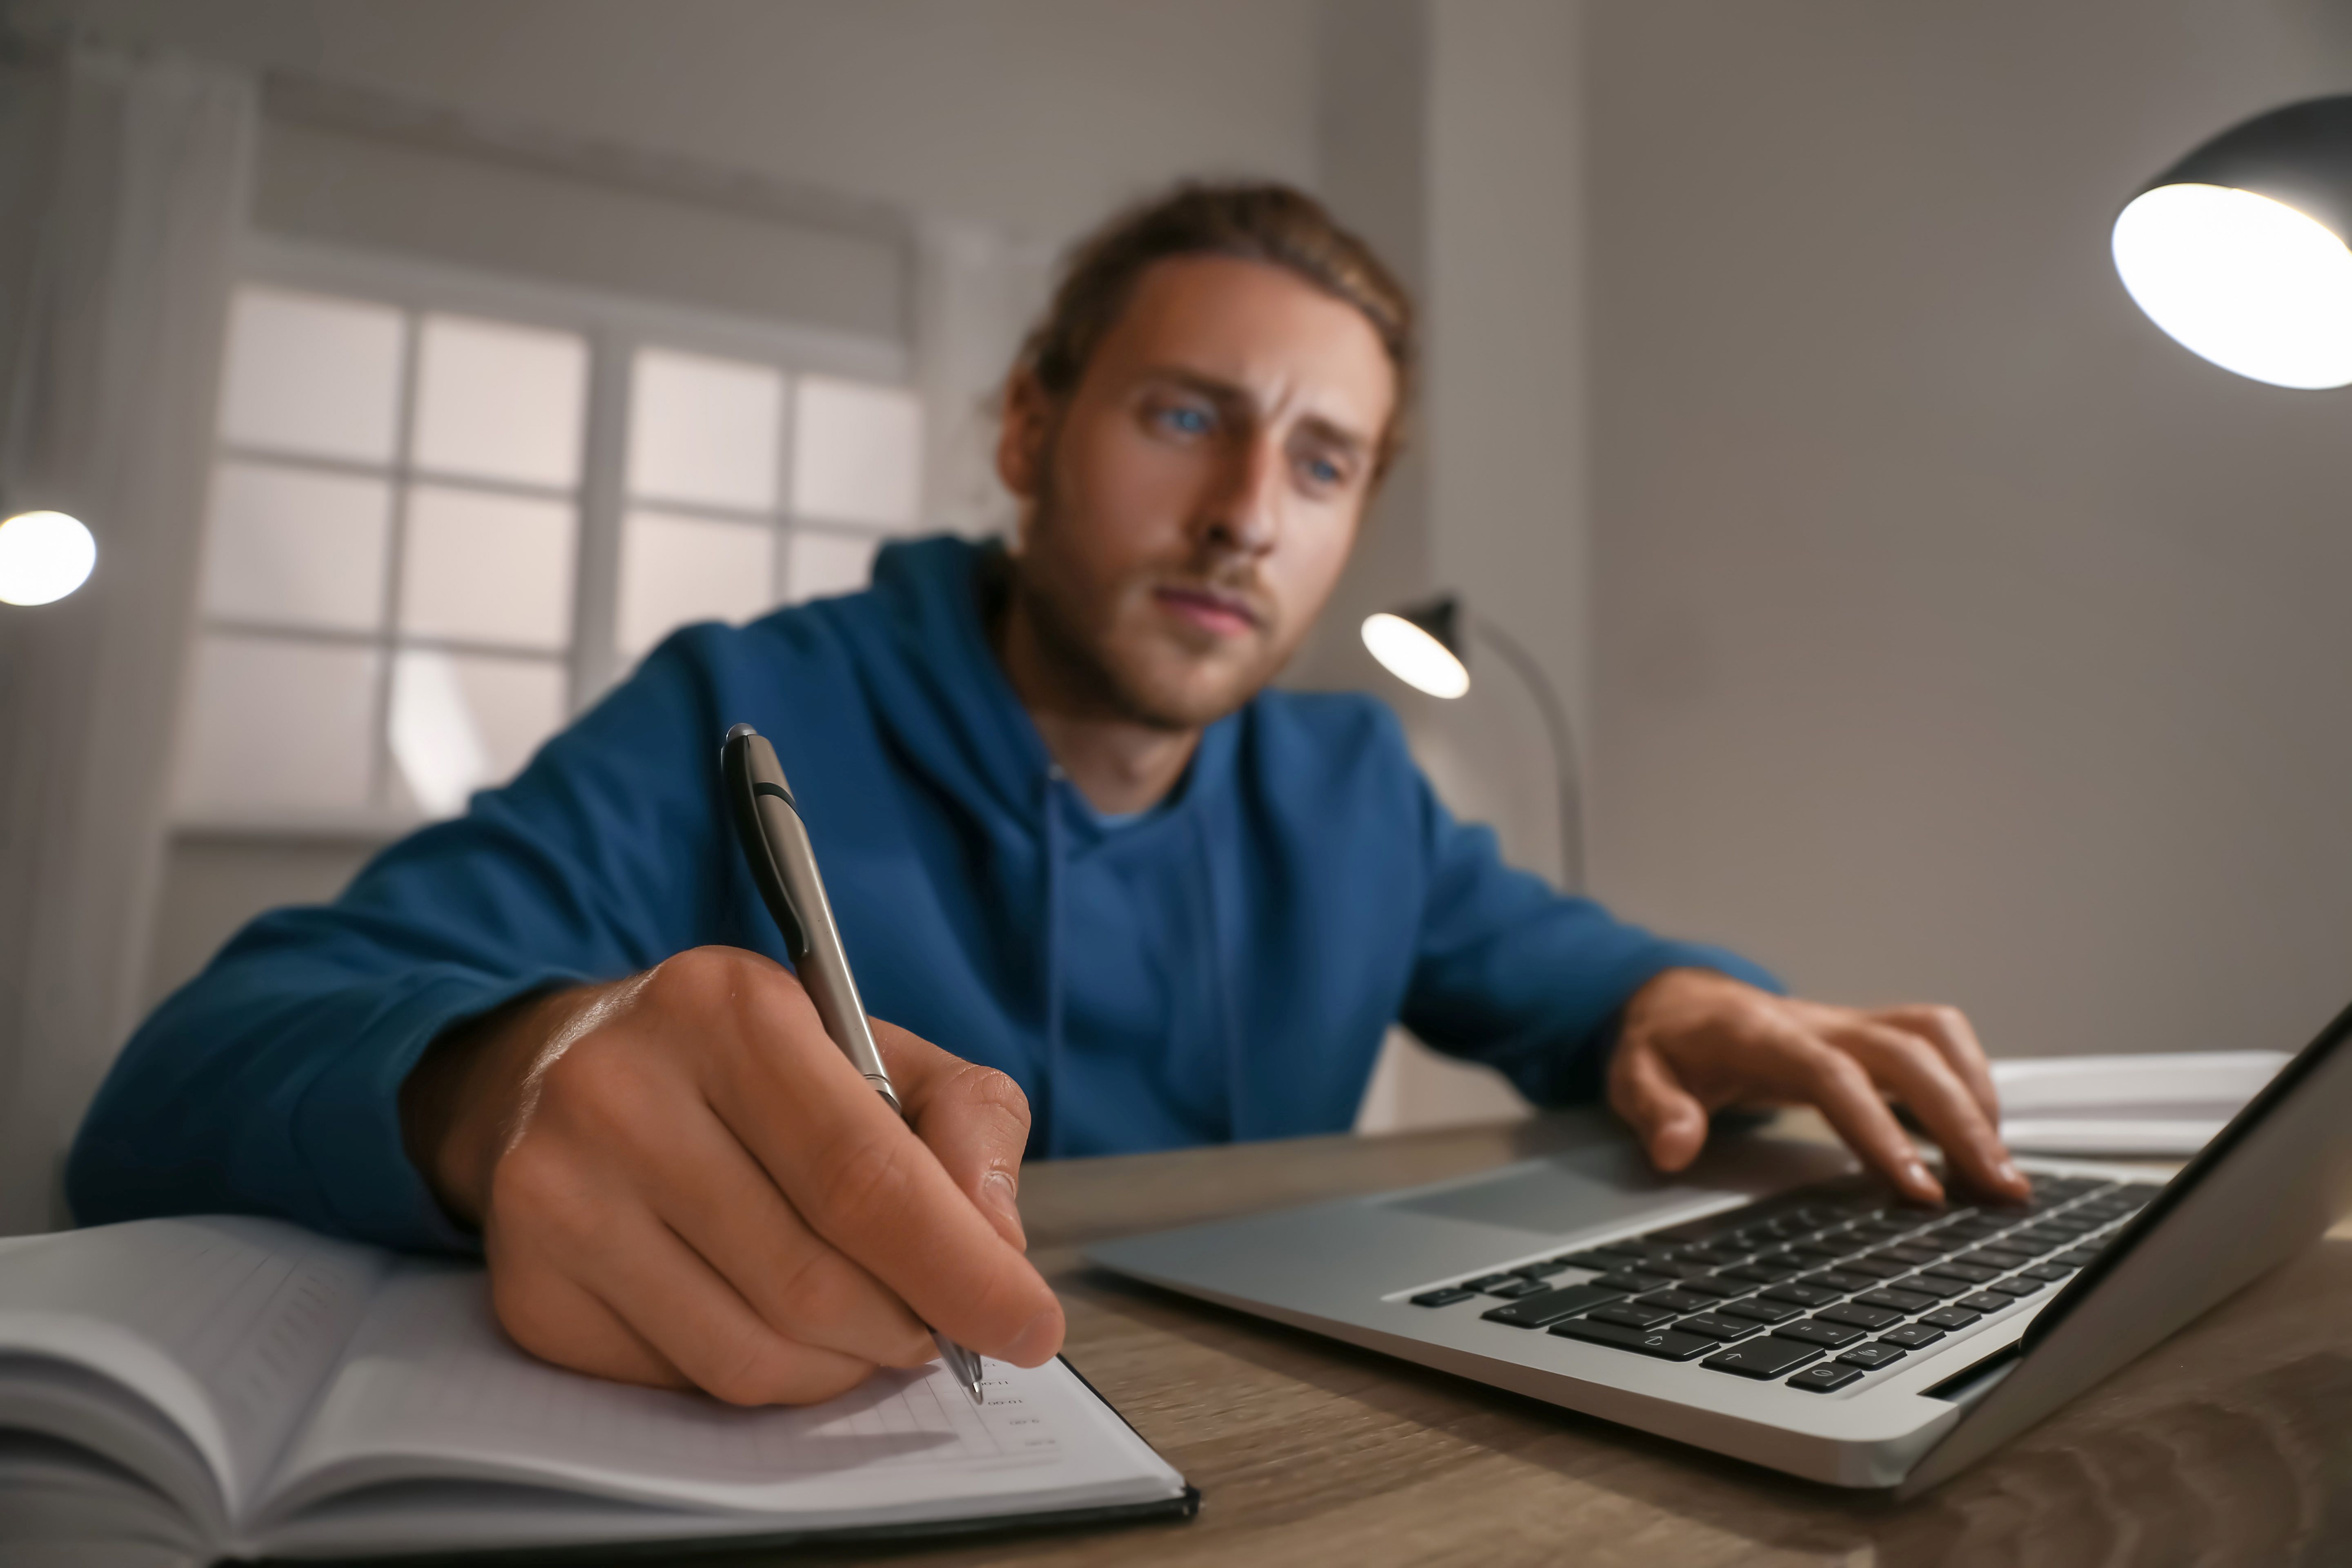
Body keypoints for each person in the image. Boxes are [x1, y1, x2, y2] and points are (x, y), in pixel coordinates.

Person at [69, 182, 2026, 1409]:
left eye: (1325, 464)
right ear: (1030, 426)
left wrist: (1684, 1002)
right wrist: (518, 1082)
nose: (1248, 513)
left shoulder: (1356, 785)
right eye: (1189, 415)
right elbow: (188, 1075)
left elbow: (1581, 974)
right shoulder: (744, 707)